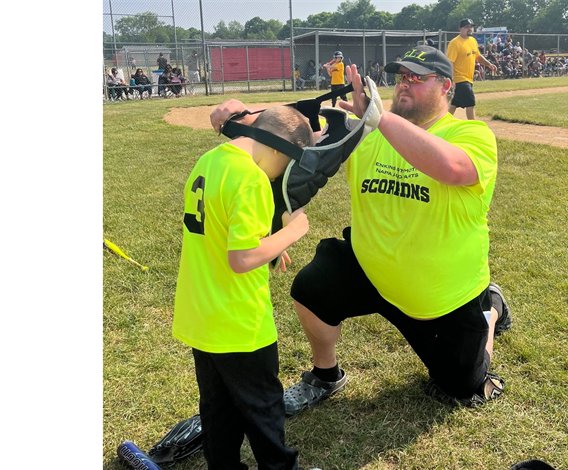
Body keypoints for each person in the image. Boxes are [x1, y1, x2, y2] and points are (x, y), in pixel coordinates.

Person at [208, 45, 513, 416]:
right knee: (311, 287)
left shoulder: (471, 134)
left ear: (446, 86)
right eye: (401, 77)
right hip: (372, 269)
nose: (405, 84)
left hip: (439, 297)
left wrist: (377, 118)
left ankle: (491, 308)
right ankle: (325, 375)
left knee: (461, 389)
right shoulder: (367, 134)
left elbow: (451, 168)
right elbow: (294, 146)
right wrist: (244, 119)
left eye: (417, 78)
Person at [173, 104, 332, 470]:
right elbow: (242, 258)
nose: (283, 174)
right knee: (263, 406)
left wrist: (271, 242)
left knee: (218, 407)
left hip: (201, 313)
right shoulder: (251, 178)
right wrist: (293, 231)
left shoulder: (211, 160)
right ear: (281, 148)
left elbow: (224, 227)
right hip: (239, 320)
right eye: (289, 163)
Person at [446, 19, 498, 120]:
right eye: (466, 27)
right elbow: (450, 63)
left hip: (468, 79)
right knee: (470, 103)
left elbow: (478, 56)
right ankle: (473, 125)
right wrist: (451, 80)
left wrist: (489, 64)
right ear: (460, 29)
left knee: (453, 105)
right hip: (459, 79)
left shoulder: (472, 41)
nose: (469, 29)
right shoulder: (455, 43)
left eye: (471, 27)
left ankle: (440, 125)